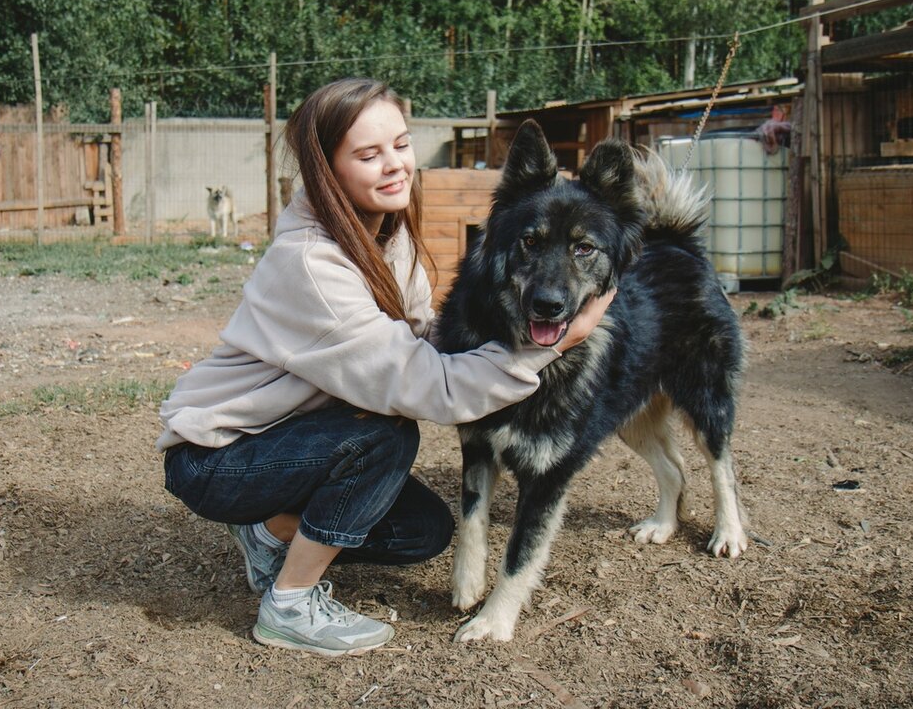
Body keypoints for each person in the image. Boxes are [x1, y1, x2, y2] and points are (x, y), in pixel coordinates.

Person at [157, 77, 615, 656]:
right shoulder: (311, 266)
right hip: (218, 454)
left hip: (286, 439)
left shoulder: (387, 237)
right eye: (369, 154)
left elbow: (424, 338)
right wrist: (559, 341)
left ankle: (268, 529)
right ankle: (290, 606)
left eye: (400, 144)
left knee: (422, 532)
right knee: (385, 435)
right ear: (327, 169)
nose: (395, 165)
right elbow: (427, 382)